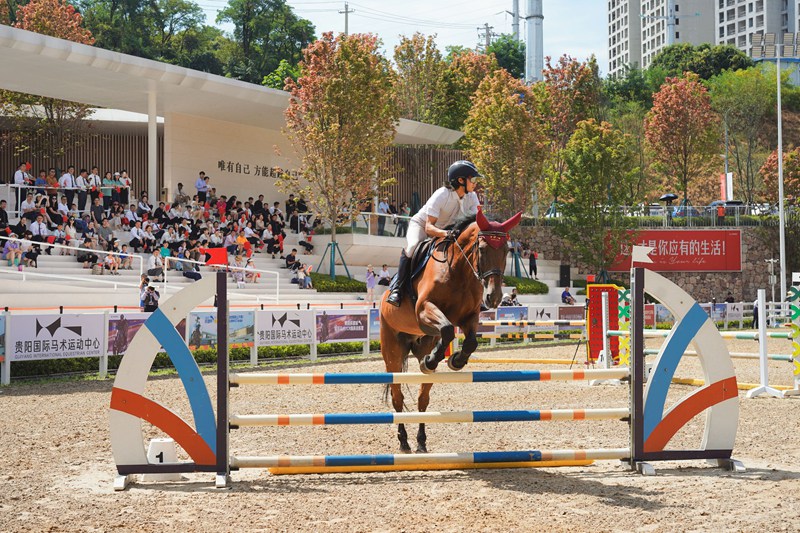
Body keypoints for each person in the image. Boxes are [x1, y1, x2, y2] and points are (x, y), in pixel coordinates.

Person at [386, 160, 481, 307]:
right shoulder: (442, 194)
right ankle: (397, 289)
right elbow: (429, 227)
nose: (475, 183)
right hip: (422, 226)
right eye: (473, 179)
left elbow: (477, 222)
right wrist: (446, 233)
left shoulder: (472, 197)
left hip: (447, 231)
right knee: (412, 247)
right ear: (461, 180)